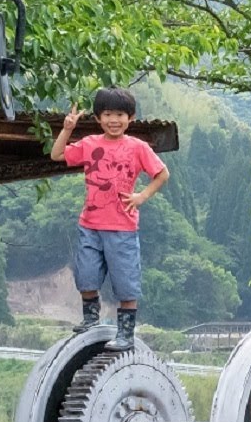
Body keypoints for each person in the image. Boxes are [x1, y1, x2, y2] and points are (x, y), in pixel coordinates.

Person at [50, 88, 169, 351]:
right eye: (107, 114)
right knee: (86, 276)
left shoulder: (137, 147)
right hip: (90, 224)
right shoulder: (91, 144)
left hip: (123, 227)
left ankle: (125, 334)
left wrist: (141, 196)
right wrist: (67, 128)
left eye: (120, 115)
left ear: (130, 118)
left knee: (125, 282)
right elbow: (57, 155)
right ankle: (90, 319)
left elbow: (162, 174)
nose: (114, 120)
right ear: (98, 118)